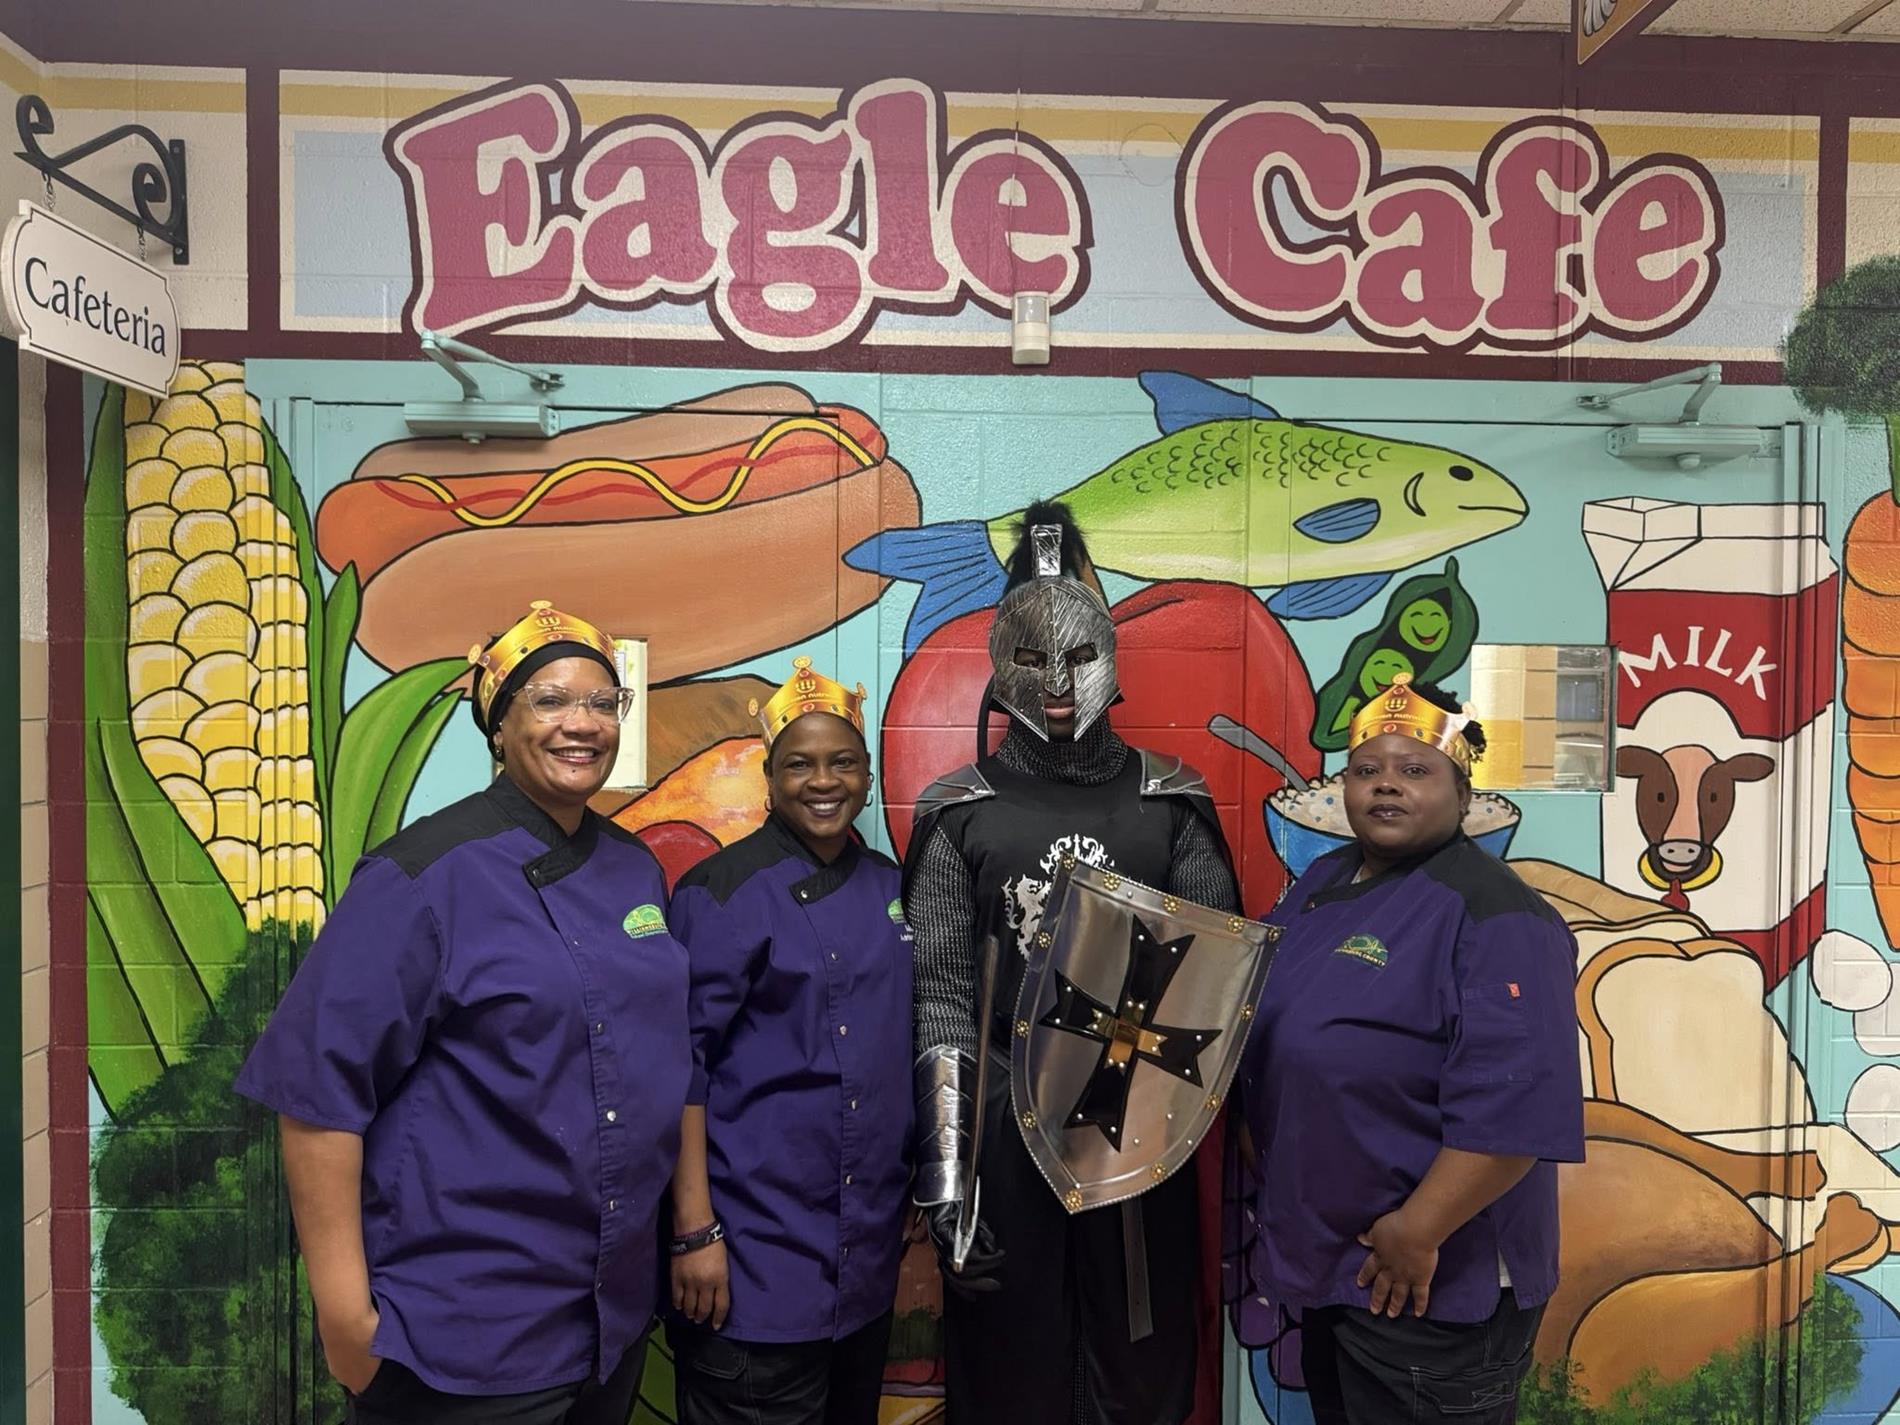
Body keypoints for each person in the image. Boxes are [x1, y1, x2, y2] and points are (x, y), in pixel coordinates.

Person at [235, 601, 689, 1425]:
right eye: (549, 700)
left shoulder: (634, 871)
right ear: (499, 721)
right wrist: (346, 1323)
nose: (580, 722)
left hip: (607, 1325)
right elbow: (315, 1100)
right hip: (465, 1339)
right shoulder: (419, 878)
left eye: (601, 701)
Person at [903, 503, 1241, 1425]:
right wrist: (947, 1183)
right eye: (1034, 658)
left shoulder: (1171, 800)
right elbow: (941, 999)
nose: (1057, 683)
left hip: (1138, 1131)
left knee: (1141, 1373)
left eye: (1079, 657)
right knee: (1011, 1378)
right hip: (1002, 1141)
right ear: (1000, 659)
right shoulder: (957, 810)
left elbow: (1215, 983)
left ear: (1110, 655)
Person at [1234, 673, 1585, 1425]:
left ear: (1463, 794)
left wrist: (1416, 1229)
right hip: (1342, 1269)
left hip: (1426, 1284)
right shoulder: (1326, 881)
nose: (1385, 785)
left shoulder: (1499, 915)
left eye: (1415, 770)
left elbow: (1516, 1112)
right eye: (1367, 769)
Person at [666, 656, 913, 1425]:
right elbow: (680, 1070)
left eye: (842, 762)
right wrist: (694, 1231)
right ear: (768, 778)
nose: (823, 780)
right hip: (750, 1266)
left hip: (863, 1271)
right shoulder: (721, 892)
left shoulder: (893, 889)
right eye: (799, 764)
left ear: (867, 774)